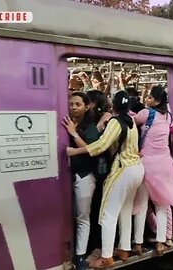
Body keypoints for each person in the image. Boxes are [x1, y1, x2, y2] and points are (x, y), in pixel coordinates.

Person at [66, 91, 144, 269]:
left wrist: (74, 151)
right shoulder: (131, 121)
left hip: (122, 169)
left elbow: (101, 145)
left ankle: (106, 257)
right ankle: (124, 248)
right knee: (125, 210)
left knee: (108, 214)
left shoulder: (116, 122)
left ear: (113, 106)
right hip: (137, 168)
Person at [133, 86, 173, 256]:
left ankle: (137, 244)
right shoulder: (168, 116)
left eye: (150, 97)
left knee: (142, 205)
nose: (147, 100)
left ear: (157, 101)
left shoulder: (146, 113)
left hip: (146, 164)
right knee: (162, 204)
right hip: (164, 164)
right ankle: (160, 243)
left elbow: (132, 121)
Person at [61, 92, 99, 270]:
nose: (74, 107)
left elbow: (91, 149)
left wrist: (73, 134)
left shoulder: (90, 127)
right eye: (71, 104)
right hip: (66, 175)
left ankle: (81, 256)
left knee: (82, 216)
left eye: (77, 104)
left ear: (86, 106)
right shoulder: (64, 122)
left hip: (84, 175)